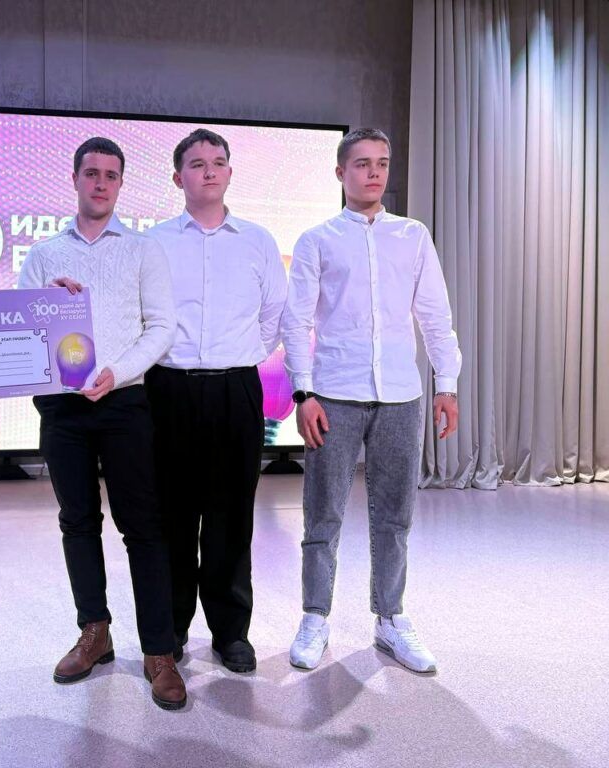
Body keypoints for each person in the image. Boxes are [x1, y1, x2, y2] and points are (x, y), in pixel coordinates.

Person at [281, 128, 461, 674]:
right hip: (334, 393)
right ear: (341, 173)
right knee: (322, 515)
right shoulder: (317, 240)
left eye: (382, 162)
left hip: (401, 394)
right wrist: (303, 392)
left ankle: (390, 618)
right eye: (362, 164)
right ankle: (315, 616)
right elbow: (296, 321)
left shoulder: (413, 236)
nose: (374, 172)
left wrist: (447, 384)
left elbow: (435, 314)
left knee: (395, 516)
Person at [17, 137, 186, 710]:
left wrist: (118, 372)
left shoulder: (142, 251)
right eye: (91, 173)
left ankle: (159, 650)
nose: (100, 183)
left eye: (111, 175)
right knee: (77, 521)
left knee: (144, 527)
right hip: (62, 408)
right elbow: (21, 328)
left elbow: (161, 328)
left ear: (120, 184)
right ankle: (95, 631)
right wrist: (43, 302)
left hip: (124, 401)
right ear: (75, 179)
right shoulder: (43, 254)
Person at [146, 129, 288, 674]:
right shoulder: (154, 242)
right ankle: (172, 628)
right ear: (177, 176)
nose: (209, 170)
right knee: (173, 516)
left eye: (218, 162)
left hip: (235, 389)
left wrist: (240, 355)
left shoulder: (257, 241)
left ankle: (231, 632)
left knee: (232, 515)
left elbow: (274, 315)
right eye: (197, 163)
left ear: (229, 172)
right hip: (170, 389)